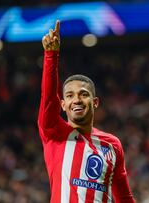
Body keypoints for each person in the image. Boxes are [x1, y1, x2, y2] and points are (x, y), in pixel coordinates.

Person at [38, 20, 136, 203]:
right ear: (63, 105)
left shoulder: (112, 145)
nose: (76, 99)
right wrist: (51, 55)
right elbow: (48, 100)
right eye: (70, 95)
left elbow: (124, 197)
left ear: (95, 102)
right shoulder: (55, 133)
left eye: (83, 94)